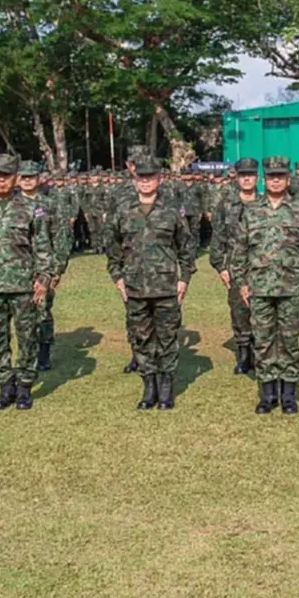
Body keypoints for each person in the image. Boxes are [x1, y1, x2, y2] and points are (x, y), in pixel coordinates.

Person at [232, 156, 299, 415]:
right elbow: (238, 251)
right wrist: (241, 283)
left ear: (288, 179)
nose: (275, 180)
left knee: (289, 340)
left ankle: (289, 393)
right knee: (263, 340)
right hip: (259, 288)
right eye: (271, 176)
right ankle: (268, 393)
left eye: (280, 176)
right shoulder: (251, 212)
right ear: (264, 179)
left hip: (291, 287)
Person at [0, 154, 54, 410]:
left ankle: (25, 387)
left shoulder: (29, 208)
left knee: (27, 337)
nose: (2, 181)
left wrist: (43, 280)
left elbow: (42, 248)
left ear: (16, 179)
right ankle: (5, 387)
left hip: (24, 287)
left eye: (7, 176)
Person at [107, 156, 197, 410]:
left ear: (160, 180)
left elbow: (186, 247)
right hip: (135, 287)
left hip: (166, 287)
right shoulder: (123, 212)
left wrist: (184, 278)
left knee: (167, 337)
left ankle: (166, 388)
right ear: (135, 180)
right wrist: (118, 277)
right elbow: (111, 246)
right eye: (141, 178)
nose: (145, 182)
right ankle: (149, 387)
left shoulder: (171, 211)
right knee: (142, 338)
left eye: (150, 178)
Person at [18, 162, 72, 372]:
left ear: (39, 179)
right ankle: (25, 355)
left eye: (31, 176)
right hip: (17, 269)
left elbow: (62, 238)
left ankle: (43, 354)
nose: (28, 180)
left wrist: (57, 270)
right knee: (21, 313)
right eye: (24, 177)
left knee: (42, 311)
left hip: (44, 268)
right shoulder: (12, 204)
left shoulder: (51, 205)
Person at [209, 157, 260, 375]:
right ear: (236, 177)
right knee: (239, 312)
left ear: (257, 177)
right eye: (242, 175)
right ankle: (243, 355)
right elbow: (217, 239)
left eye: (250, 175)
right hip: (236, 268)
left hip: (263, 268)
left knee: (262, 311)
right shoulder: (226, 205)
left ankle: (260, 355)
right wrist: (221, 267)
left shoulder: (268, 202)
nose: (246, 179)